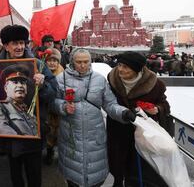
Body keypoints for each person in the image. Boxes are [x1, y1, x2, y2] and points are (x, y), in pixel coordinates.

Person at [54, 48, 136, 187]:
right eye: (79, 62)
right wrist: (62, 106)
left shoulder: (99, 79)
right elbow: (52, 102)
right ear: (72, 62)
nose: (82, 65)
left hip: (95, 135)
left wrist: (123, 113)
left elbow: (110, 104)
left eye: (86, 62)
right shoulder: (61, 79)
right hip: (70, 135)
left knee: (95, 177)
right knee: (73, 178)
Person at [0, 24, 58, 187]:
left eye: (22, 42)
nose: (20, 46)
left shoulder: (38, 64)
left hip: (33, 131)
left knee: (34, 174)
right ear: (6, 45)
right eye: (15, 43)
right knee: (15, 174)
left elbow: (53, 94)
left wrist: (43, 85)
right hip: (9, 133)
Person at [106, 51, 171, 187]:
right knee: (116, 160)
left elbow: (164, 104)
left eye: (126, 67)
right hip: (118, 129)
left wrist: (156, 109)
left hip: (142, 133)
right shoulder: (112, 80)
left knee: (138, 166)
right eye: (119, 65)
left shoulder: (155, 84)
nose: (120, 70)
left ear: (137, 69)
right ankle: (118, 181)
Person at [0, 64, 38, 136]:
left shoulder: (29, 112)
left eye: (23, 83)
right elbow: (1, 128)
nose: (20, 85)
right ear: (6, 88)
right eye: (15, 82)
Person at [43, 48, 64, 165]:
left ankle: (61, 154)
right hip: (47, 109)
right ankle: (49, 152)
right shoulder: (42, 74)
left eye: (55, 60)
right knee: (48, 133)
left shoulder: (64, 75)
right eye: (49, 60)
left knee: (60, 133)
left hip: (59, 110)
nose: (52, 63)